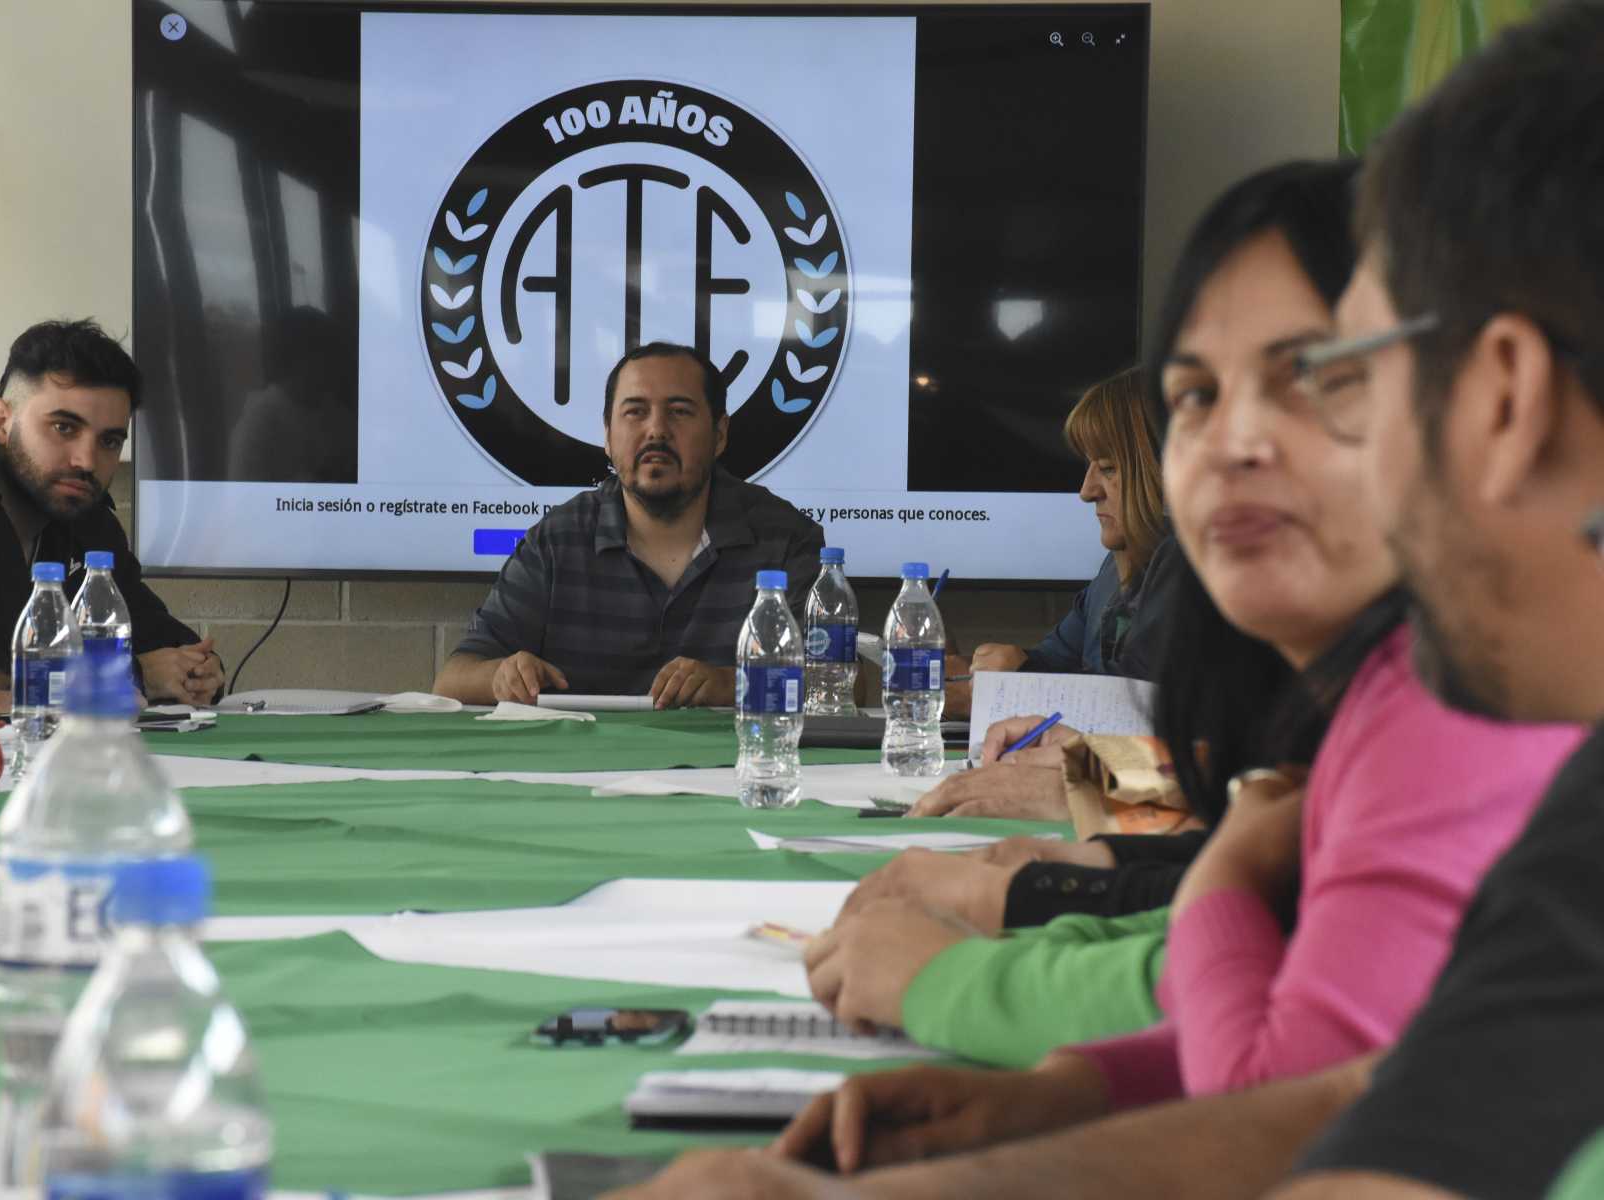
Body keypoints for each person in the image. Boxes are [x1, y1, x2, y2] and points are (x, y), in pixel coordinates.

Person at [606, 5, 1604, 1196]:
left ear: (1504, 396)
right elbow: (1390, 1086)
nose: (1234, 447)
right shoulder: (1160, 588)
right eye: (1190, 401)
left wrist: (1029, 882)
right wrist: (1076, 1081)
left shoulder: (1437, 707)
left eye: (1334, 375)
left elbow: (1183, 809)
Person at [787, 158, 1578, 1097]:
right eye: (1198, 396)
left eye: (1314, 379)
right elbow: (1244, 838)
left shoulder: (1460, 689)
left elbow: (1210, 809)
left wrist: (1066, 819)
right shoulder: (1138, 581)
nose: (1238, 442)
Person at [433, 342, 824, 707]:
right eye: (635, 412)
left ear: (719, 435)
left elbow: (844, 681)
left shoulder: (784, 538)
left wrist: (732, 684)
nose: (656, 431)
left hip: (733, 769)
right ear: (607, 437)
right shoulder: (558, 540)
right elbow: (452, 679)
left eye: (680, 412)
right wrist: (502, 676)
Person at [0, 319, 223, 710]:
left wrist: (200, 669)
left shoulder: (86, 514)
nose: (87, 461)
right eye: (63, 427)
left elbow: (150, 629)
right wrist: (133, 674)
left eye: (110, 441)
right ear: (0, 420)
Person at [949, 366, 1177, 702]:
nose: (1086, 491)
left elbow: (1133, 714)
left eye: (1109, 468)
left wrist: (1010, 689)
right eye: (1089, 466)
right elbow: (1052, 663)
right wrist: (972, 672)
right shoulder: (1114, 570)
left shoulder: (1188, 570)